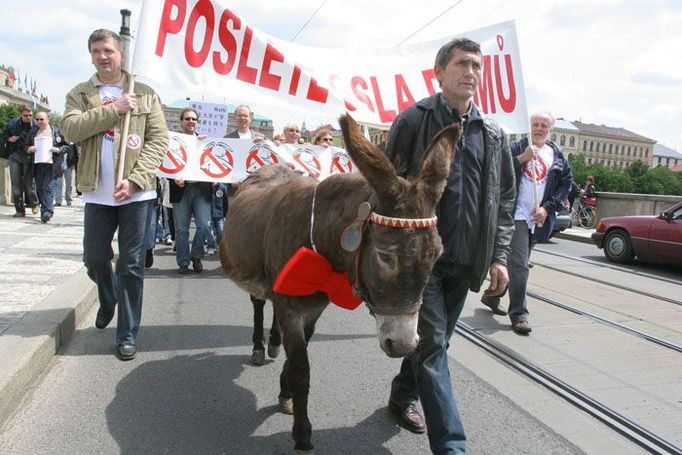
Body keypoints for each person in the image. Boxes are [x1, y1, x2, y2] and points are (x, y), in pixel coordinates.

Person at [384, 37, 515, 453]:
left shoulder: (494, 133)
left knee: (434, 343)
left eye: (477, 65)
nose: (471, 72)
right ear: (439, 72)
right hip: (423, 265)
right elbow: (388, 187)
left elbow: (505, 198)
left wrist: (498, 255)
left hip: (467, 261)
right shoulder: (413, 120)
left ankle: (403, 394)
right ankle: (452, 446)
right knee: (435, 344)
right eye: (462, 64)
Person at [60, 29, 168, 361]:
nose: (103, 56)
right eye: (96, 51)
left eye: (108, 50)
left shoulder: (145, 93)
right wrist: (114, 109)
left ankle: (127, 334)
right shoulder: (81, 93)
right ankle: (108, 298)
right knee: (94, 258)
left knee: (131, 265)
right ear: (91, 56)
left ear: (120, 53)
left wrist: (136, 180)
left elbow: (158, 141)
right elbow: (71, 128)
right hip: (97, 194)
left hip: (135, 196)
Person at [480, 111, 572, 335]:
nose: (539, 129)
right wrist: (521, 159)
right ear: (529, 126)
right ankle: (519, 314)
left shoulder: (557, 155)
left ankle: (492, 295)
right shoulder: (517, 147)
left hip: (537, 219)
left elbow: (566, 185)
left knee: (516, 264)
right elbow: (496, 171)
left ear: (550, 130)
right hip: (515, 215)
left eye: (544, 125)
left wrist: (547, 208)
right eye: (535, 124)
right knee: (521, 265)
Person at [170, 108, 211, 274]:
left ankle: (196, 254)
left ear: (198, 122)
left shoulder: (205, 141)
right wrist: (173, 178)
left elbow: (213, 163)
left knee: (204, 225)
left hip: (201, 189)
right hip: (181, 189)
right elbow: (165, 164)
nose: (191, 121)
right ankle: (183, 262)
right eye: (187, 118)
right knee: (181, 229)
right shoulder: (172, 141)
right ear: (181, 121)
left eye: (194, 119)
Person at [26, 112, 69, 223]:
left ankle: (47, 212)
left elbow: (66, 146)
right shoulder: (33, 132)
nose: (39, 121)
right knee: (40, 188)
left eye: (42, 119)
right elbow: (26, 146)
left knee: (48, 187)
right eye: (37, 119)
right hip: (37, 164)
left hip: (52, 164)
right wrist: (29, 149)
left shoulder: (56, 132)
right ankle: (45, 211)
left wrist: (58, 150)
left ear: (48, 120)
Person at [2, 105, 39, 217]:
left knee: (29, 183)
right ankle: (19, 210)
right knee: (16, 184)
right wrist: (9, 139)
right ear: (21, 115)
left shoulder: (36, 125)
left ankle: (34, 204)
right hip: (15, 156)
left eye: (30, 115)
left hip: (29, 156)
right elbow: (3, 136)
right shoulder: (12, 124)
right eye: (26, 115)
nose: (28, 117)